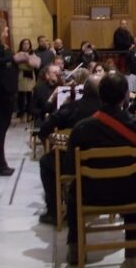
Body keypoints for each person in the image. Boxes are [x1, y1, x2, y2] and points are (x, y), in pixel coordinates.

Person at [64, 72, 136, 264]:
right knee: (133, 182)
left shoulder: (81, 129)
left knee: (72, 192)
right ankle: (131, 243)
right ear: (125, 96)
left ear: (101, 96)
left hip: (90, 194)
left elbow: (70, 169)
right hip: (128, 194)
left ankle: (75, 246)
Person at [36, 74, 104, 225]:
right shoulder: (112, 112)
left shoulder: (71, 108)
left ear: (83, 90)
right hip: (105, 165)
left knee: (46, 162)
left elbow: (44, 130)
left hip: (73, 165)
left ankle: (53, 211)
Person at [0, 17, 30, 176]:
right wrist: (14, 58)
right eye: (5, 28)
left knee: (2, 129)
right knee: (0, 129)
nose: (7, 30)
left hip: (5, 90)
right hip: (0, 91)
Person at [16, 38, 38, 117]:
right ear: (21, 45)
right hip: (22, 76)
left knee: (30, 94)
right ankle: (21, 110)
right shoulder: (18, 54)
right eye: (24, 44)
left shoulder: (32, 54)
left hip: (30, 76)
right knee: (21, 94)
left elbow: (35, 64)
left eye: (27, 44)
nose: (26, 45)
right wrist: (28, 64)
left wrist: (28, 64)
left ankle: (29, 110)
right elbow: (19, 65)